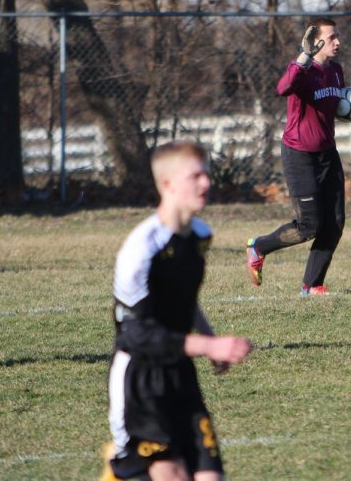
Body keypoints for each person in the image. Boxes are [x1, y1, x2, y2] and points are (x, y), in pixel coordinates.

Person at [103, 142, 251, 481]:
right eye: (195, 176)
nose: (206, 183)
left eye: (207, 174)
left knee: (211, 476)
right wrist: (210, 346)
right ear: (168, 184)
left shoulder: (200, 236)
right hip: (140, 381)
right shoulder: (140, 249)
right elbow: (135, 335)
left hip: (180, 374)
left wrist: (210, 337)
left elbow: (184, 298)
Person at [245, 18, 351, 296]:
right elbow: (283, 87)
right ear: (315, 42)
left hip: (328, 153)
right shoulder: (302, 71)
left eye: (337, 36)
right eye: (331, 37)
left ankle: (312, 285)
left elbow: (335, 105)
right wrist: (303, 55)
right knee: (308, 226)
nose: (337, 42)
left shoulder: (336, 71)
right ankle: (259, 247)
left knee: (335, 222)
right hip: (299, 154)